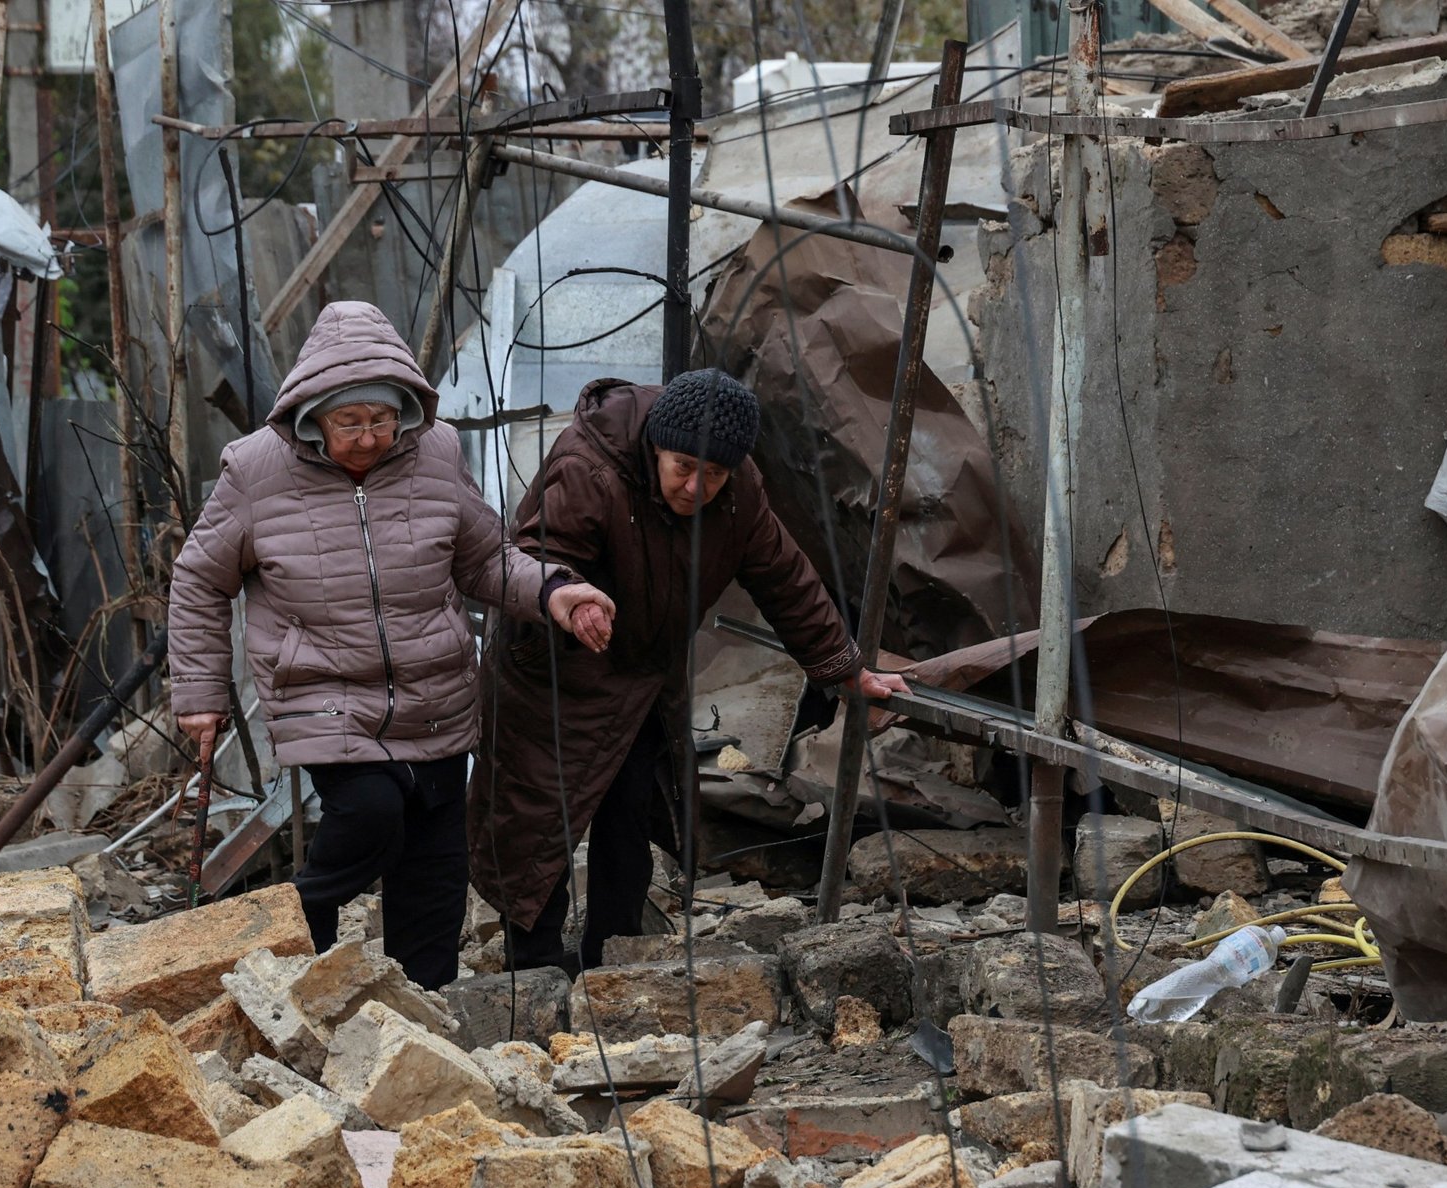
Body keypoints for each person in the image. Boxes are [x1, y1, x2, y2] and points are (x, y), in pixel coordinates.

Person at [169, 300, 612, 990]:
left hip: (435, 694)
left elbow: (485, 559)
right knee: (372, 811)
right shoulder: (255, 470)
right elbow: (199, 579)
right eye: (351, 422)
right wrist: (199, 695)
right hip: (321, 692)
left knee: (436, 861)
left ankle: (426, 1004)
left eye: (382, 418)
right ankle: (289, 940)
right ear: (312, 414)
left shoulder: (435, 452)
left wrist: (555, 591)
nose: (370, 437)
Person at [467, 368, 907, 973]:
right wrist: (571, 597)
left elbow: (785, 579)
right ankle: (535, 971)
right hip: (551, 667)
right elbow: (537, 556)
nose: (698, 486)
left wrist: (844, 668)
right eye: (684, 468)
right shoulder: (588, 468)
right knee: (534, 825)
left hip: (645, 677)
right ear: (656, 447)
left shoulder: (739, 493)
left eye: (716, 474)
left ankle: (613, 966)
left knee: (632, 814)